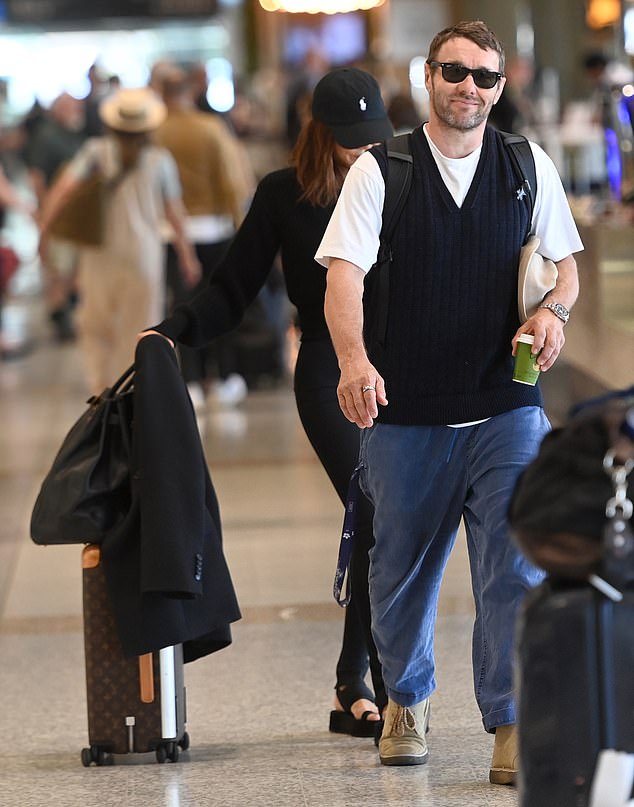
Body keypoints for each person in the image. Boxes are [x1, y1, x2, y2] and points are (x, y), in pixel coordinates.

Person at [315, 20, 584, 783]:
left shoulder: (527, 164)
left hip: (508, 403)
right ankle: (406, 696)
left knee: (517, 566)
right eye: (455, 72)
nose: (470, 88)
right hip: (406, 409)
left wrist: (551, 312)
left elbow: (565, 268)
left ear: (501, 88)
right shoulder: (382, 168)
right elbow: (344, 278)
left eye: (485, 78)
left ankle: (510, 719)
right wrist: (354, 360)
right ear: (426, 77)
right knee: (399, 568)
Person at [139, 67, 394, 735]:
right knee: (373, 506)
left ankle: (351, 683)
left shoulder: (400, 182)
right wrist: (175, 330)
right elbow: (234, 286)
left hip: (399, 368)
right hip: (326, 369)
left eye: (373, 138)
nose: (364, 151)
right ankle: (387, 689)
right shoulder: (286, 194)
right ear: (319, 131)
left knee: (386, 521)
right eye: (350, 140)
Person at [37, 87, 199, 394]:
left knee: (95, 325)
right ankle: (135, 391)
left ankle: (101, 389)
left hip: (99, 255)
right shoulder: (159, 160)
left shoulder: (95, 153)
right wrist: (187, 256)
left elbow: (63, 191)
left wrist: (45, 230)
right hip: (144, 257)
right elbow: (176, 214)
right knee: (141, 328)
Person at [155, 69, 255, 410]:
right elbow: (232, 180)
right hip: (216, 228)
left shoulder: (156, 133)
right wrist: (240, 222)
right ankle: (225, 376)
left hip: (172, 232)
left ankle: (193, 380)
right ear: (190, 91)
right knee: (219, 301)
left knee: (183, 305)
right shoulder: (211, 129)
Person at [25, 92, 86, 340]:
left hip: (74, 216)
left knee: (71, 269)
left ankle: (67, 314)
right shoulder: (47, 137)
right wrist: (42, 214)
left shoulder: (73, 135)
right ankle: (60, 318)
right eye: (69, 106)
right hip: (56, 214)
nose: (74, 111)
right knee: (59, 270)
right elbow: (37, 177)